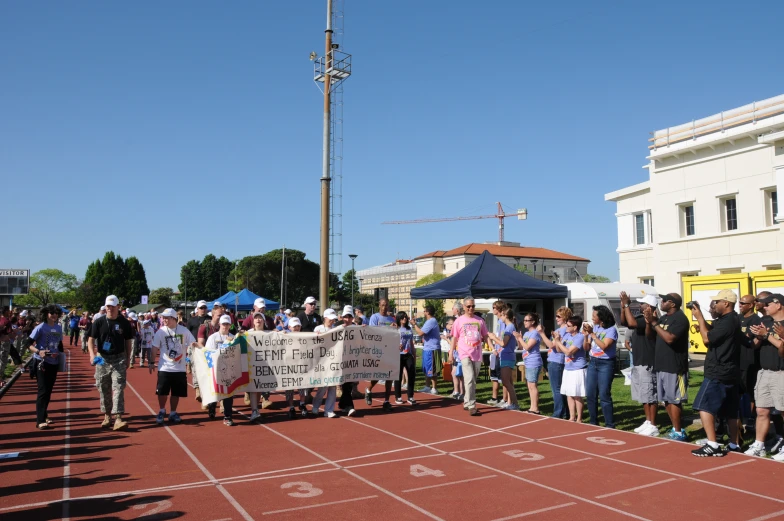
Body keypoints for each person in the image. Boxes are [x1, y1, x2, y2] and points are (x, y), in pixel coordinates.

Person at [690, 290, 743, 457]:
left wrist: (699, 318)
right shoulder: (731, 320)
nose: (714, 305)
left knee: (703, 406)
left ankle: (712, 444)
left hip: (719, 371)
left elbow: (707, 340)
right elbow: (715, 339)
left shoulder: (727, 322)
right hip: (729, 371)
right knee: (730, 411)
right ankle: (734, 444)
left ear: (726, 303)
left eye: (717, 302)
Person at [646, 293, 690, 441]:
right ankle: (674, 429)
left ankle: (679, 431)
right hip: (661, 365)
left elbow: (670, 338)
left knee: (675, 399)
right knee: (666, 400)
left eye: (664, 300)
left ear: (672, 304)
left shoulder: (680, 319)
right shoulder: (664, 318)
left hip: (675, 366)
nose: (661, 302)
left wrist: (655, 323)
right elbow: (651, 336)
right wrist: (649, 322)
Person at [88, 295, 135, 430]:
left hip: (119, 358)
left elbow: (128, 341)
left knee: (119, 386)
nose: (110, 309)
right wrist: (92, 355)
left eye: (112, 306)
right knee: (103, 387)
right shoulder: (99, 322)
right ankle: (107, 415)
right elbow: (91, 339)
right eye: (108, 306)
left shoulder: (124, 323)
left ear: (118, 307)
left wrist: (127, 358)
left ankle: (118, 417)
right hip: (102, 358)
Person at [747, 293, 784, 458]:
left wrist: (767, 335)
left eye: (768, 304)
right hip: (764, 372)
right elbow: (755, 346)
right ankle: (759, 445)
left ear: (779, 305)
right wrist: (757, 337)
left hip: (781, 372)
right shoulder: (766, 322)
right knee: (761, 410)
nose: (764, 306)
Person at [620, 293, 660, 437]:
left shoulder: (649, 320)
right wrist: (623, 305)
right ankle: (648, 421)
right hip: (638, 361)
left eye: (642, 303)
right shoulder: (640, 318)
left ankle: (653, 424)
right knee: (643, 395)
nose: (639, 305)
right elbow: (624, 321)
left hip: (648, 361)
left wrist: (626, 305)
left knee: (650, 393)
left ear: (648, 306)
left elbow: (631, 324)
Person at [149, 308, 197, 425]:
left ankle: (173, 412)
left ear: (174, 318)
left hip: (179, 368)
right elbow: (155, 347)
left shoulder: (184, 330)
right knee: (162, 392)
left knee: (176, 392)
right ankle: (161, 410)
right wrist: (151, 362)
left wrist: (202, 348)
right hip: (164, 367)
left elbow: (192, 342)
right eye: (163, 317)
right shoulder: (161, 332)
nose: (164, 319)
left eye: (166, 317)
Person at [450, 297, 488, 416]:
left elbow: (485, 335)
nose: (471, 308)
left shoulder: (480, 321)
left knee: (473, 379)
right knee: (469, 378)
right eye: (468, 306)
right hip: (464, 352)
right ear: (464, 307)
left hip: (477, 353)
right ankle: (472, 405)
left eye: (473, 306)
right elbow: (454, 338)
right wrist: (451, 352)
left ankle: (466, 401)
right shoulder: (459, 321)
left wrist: (492, 346)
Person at [28, 305, 64, 429]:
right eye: (51, 312)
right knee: (42, 390)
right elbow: (28, 344)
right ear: (46, 314)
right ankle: (40, 420)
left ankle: (45, 414)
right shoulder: (40, 327)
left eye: (56, 313)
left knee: (48, 390)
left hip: (53, 363)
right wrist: (39, 352)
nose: (54, 315)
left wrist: (61, 358)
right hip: (41, 362)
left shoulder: (59, 328)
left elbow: (59, 344)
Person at [582, 305, 618, 428]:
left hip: (606, 364)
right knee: (591, 394)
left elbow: (604, 346)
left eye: (594, 316)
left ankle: (609, 424)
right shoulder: (595, 328)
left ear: (601, 318)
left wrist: (592, 335)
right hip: (593, 362)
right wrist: (586, 335)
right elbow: (586, 348)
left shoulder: (611, 330)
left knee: (604, 394)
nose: (592, 318)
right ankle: (593, 422)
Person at [203, 314, 238, 426]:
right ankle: (212, 407)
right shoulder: (213, 338)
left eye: (227, 324)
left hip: (228, 371)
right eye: (223, 324)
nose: (225, 326)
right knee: (215, 393)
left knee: (228, 394)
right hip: (215, 370)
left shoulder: (234, 337)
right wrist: (226, 344)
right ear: (219, 324)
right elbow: (209, 353)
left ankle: (228, 416)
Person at [539, 306, 572, 419]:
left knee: (556, 389)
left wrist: (542, 333)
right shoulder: (566, 330)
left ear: (564, 317)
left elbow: (551, 345)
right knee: (561, 389)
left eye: (558, 316)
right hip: (559, 361)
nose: (556, 318)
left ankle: (558, 413)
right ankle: (565, 412)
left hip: (556, 361)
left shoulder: (560, 330)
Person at [553, 316, 586, 422]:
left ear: (575, 327)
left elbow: (569, 352)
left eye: (568, 326)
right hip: (568, 368)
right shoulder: (567, 336)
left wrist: (558, 342)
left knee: (577, 394)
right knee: (569, 393)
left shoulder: (580, 337)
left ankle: (579, 418)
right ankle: (572, 417)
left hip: (578, 368)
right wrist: (557, 340)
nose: (566, 327)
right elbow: (559, 350)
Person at [738, 294, 762, 431]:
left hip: (750, 362)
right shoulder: (738, 318)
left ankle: (752, 419)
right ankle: (739, 419)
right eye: (739, 302)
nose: (740, 305)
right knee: (738, 392)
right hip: (737, 361)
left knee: (751, 392)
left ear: (751, 305)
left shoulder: (755, 320)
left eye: (742, 303)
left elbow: (747, 337)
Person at [490, 308, 520, 411]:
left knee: (506, 382)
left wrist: (494, 338)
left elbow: (503, 343)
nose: (500, 317)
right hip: (507, 356)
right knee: (509, 382)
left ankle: (515, 404)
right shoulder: (510, 327)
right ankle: (512, 402)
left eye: (502, 315)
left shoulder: (509, 327)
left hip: (507, 357)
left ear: (505, 316)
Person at [312, 309, 340, 418]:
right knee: (322, 387)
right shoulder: (318, 328)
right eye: (330, 319)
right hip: (321, 362)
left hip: (333, 362)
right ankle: (315, 406)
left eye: (333, 319)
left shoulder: (336, 330)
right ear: (325, 318)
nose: (332, 321)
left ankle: (329, 410)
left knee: (332, 386)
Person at [516, 313, 544, 413]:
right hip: (527, 361)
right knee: (529, 385)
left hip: (534, 361)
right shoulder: (527, 333)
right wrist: (518, 340)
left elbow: (528, 347)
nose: (525, 322)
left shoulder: (535, 333)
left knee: (533, 385)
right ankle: (532, 407)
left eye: (527, 320)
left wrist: (519, 338)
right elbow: (522, 347)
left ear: (533, 322)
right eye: (524, 320)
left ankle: (535, 408)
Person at [411, 305, 441, 395]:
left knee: (432, 369)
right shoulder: (429, 321)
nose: (423, 313)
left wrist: (414, 324)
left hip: (432, 349)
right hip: (428, 348)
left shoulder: (431, 321)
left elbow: (420, 333)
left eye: (424, 311)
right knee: (427, 368)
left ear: (428, 312)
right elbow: (423, 331)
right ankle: (427, 386)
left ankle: (434, 388)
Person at [336, 306, 357, 417]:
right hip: (341, 359)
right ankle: (350, 406)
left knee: (349, 384)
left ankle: (342, 404)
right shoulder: (338, 327)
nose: (347, 319)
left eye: (349, 317)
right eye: (345, 317)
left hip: (352, 359)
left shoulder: (356, 328)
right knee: (346, 383)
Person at [392, 311, 417, 407]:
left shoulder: (409, 329)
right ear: (398, 318)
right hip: (398, 354)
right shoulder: (396, 329)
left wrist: (414, 354)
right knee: (398, 375)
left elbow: (411, 343)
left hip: (408, 354)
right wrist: (396, 345)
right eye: (402, 317)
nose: (405, 319)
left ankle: (410, 396)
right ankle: (398, 396)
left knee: (411, 374)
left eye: (405, 317)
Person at [486, 301, 506, 406]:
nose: (492, 309)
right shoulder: (498, 321)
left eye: (494, 307)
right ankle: (494, 398)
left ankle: (504, 399)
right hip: (496, 352)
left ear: (499, 309)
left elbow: (503, 339)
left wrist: (494, 337)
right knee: (494, 377)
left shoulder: (503, 322)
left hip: (502, 353)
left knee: (502, 378)